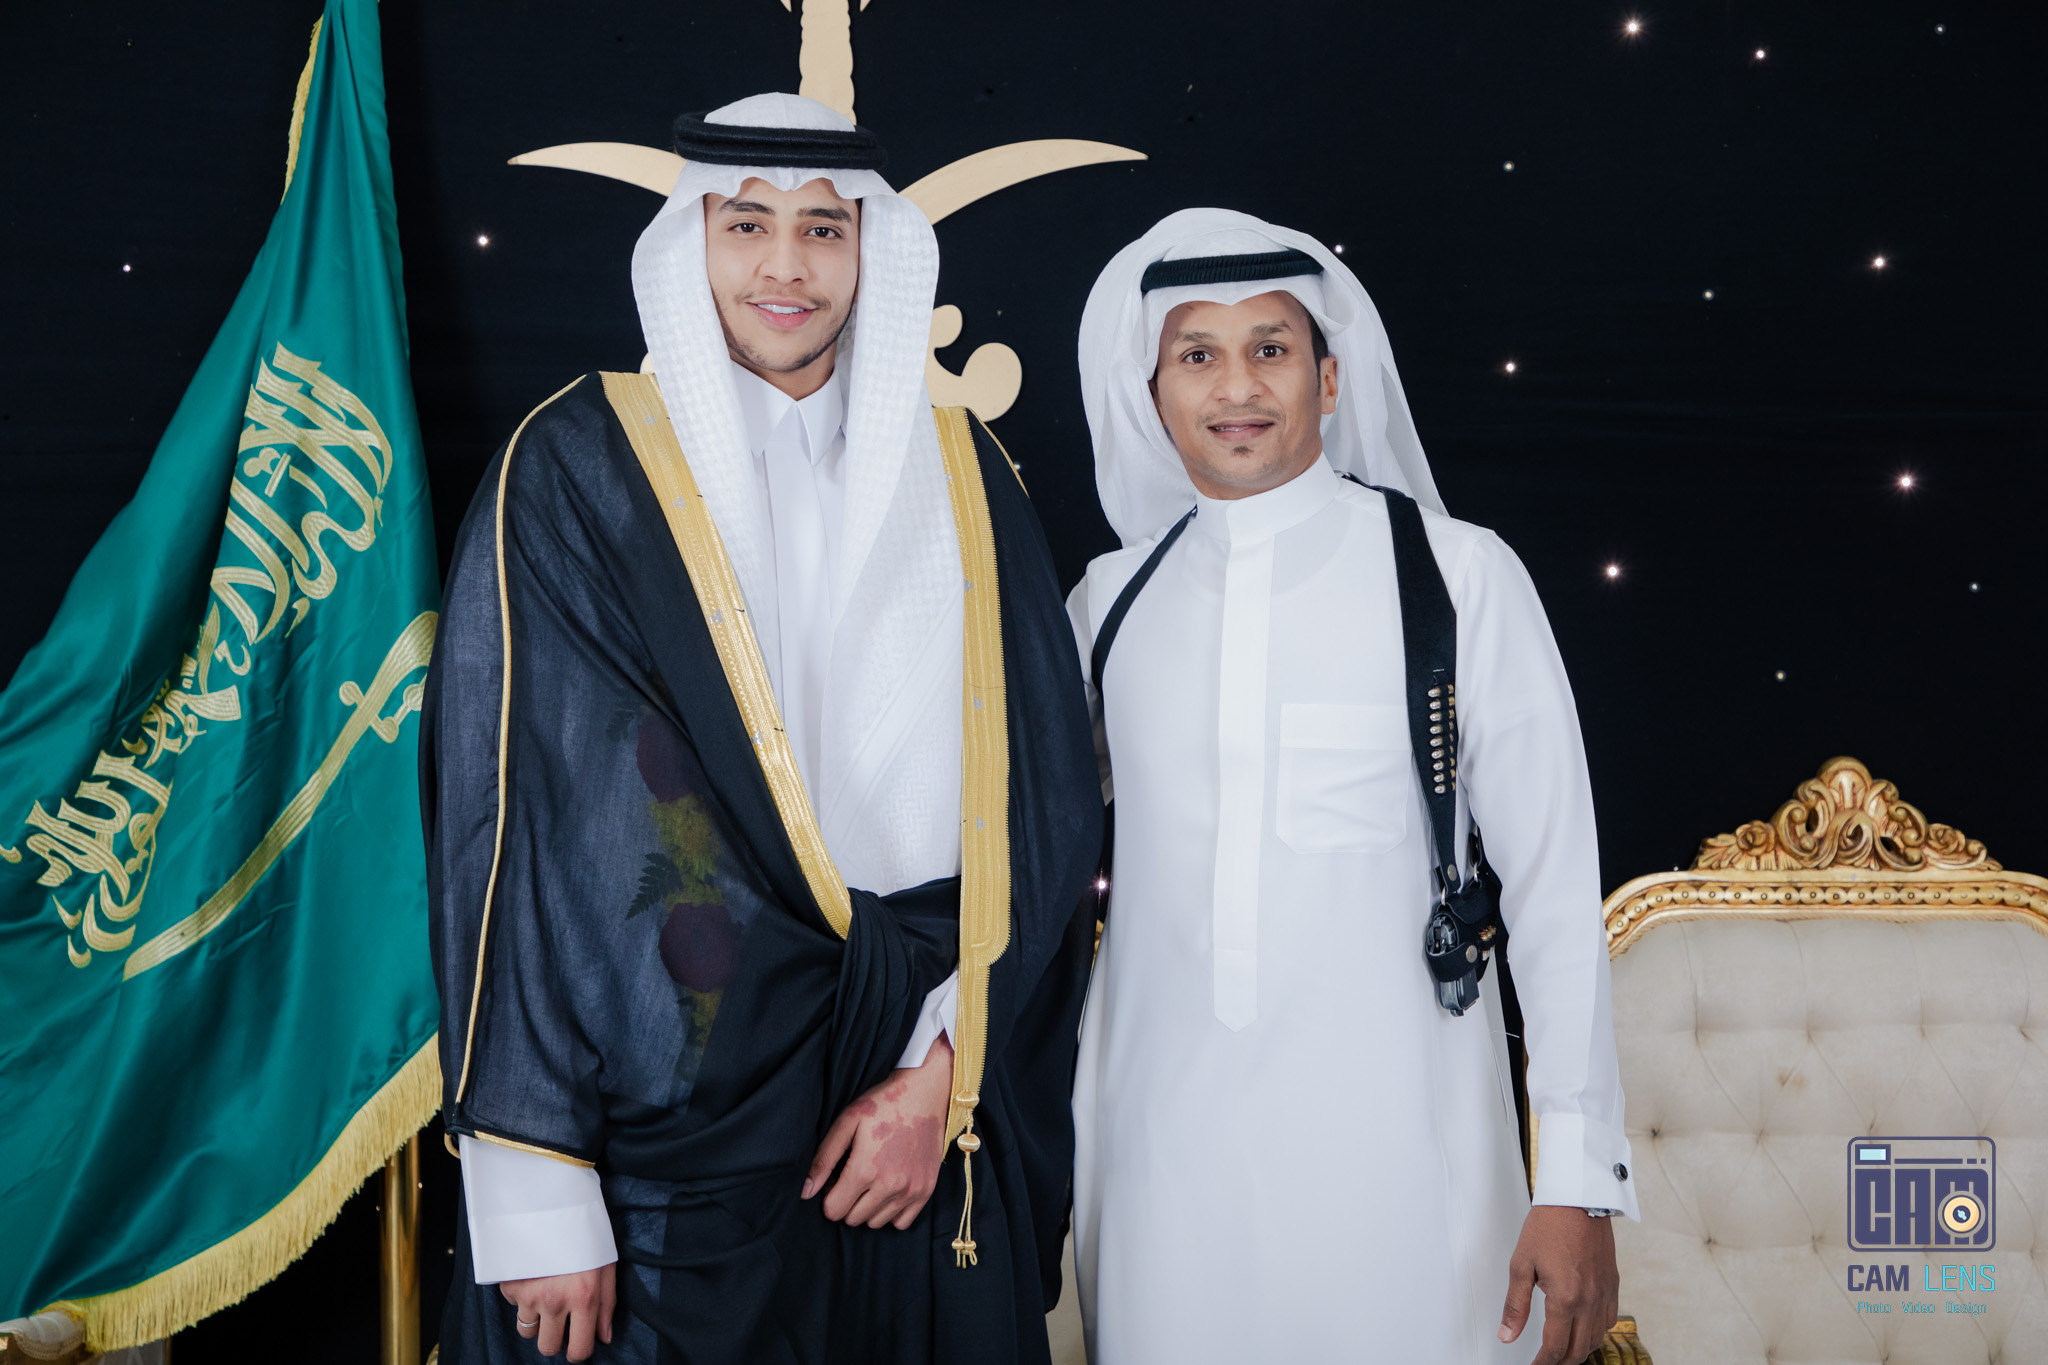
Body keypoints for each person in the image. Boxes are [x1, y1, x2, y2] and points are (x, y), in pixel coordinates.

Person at [422, 93, 1102, 1365]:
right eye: (745, 224)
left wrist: (945, 1076)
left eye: (822, 229)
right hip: (668, 1124)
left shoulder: (963, 473)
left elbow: (1047, 807)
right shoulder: (577, 469)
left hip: (911, 1114)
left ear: (871, 250)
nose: (784, 267)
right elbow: (514, 832)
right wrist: (537, 1198)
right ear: (691, 241)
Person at [1066, 209, 1638, 1365]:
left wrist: (1576, 1181)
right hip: (1158, 1164)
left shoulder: (1459, 577)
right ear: (1152, 391)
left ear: (1328, 380)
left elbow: (1550, 893)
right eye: (1196, 353)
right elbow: (1024, 867)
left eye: (1270, 348)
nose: (1237, 385)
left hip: (1407, 1162)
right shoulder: (1104, 605)